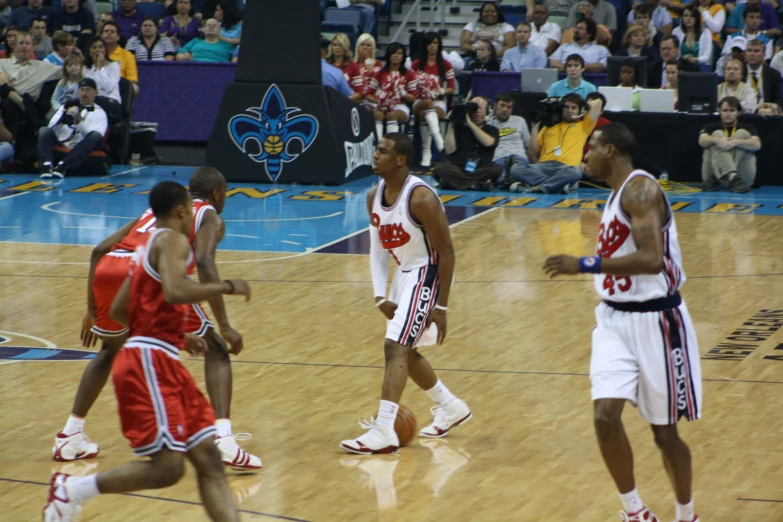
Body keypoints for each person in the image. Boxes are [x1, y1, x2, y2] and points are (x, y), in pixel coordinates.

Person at [43, 181, 250, 522]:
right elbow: (174, 290)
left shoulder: (144, 248)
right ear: (182, 210)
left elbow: (123, 310)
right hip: (149, 364)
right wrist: (226, 286)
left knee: (209, 459)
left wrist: (179, 336)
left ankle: (72, 483)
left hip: (160, 358)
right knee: (167, 469)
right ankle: (72, 489)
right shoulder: (173, 240)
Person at [543, 122, 702, 522]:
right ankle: (635, 512)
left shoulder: (640, 189)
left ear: (611, 150)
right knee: (604, 418)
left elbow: (651, 260)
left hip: (658, 321)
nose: (585, 157)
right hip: (613, 319)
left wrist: (583, 264)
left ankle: (686, 515)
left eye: (590, 149)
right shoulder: (617, 194)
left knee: (664, 434)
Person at [340, 133, 471, 455]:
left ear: (400, 160)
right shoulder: (374, 195)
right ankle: (451, 407)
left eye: (383, 151)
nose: (375, 156)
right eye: (376, 150)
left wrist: (441, 305)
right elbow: (377, 249)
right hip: (403, 276)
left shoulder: (421, 198)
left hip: (427, 273)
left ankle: (384, 429)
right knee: (407, 353)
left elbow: (447, 253)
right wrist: (379, 295)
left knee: (394, 347)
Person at [511, 93, 602, 193]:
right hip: (543, 167)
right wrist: (535, 127)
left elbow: (598, 103)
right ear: (561, 109)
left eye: (574, 108)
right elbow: (532, 152)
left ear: (580, 110)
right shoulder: (548, 127)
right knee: (516, 168)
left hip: (566, 168)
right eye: (566, 107)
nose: (569, 110)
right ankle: (557, 185)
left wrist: (585, 105)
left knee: (576, 172)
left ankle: (539, 187)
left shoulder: (584, 125)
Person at [38, 77, 107, 180]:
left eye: (88, 90)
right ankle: (46, 166)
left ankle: (64, 165)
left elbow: (95, 138)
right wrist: (63, 117)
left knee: (95, 136)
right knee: (43, 130)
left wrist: (79, 123)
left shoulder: (99, 113)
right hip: (62, 142)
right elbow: (51, 127)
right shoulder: (66, 107)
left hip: (81, 147)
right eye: (82, 90)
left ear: (95, 92)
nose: (84, 94)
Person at [431, 96, 501, 191]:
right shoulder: (459, 128)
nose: (477, 111)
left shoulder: (492, 129)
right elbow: (450, 150)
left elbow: (488, 143)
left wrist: (469, 123)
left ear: (487, 111)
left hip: (480, 168)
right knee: (440, 168)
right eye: (474, 108)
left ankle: (453, 183)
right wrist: (451, 123)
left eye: (480, 108)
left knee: (495, 169)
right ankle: (475, 185)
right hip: (457, 167)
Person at [699, 96, 760, 193]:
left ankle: (732, 176)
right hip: (714, 180)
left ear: (738, 113)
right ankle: (732, 175)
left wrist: (736, 142)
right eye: (724, 110)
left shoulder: (748, 127)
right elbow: (701, 141)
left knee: (742, 134)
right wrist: (717, 140)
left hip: (742, 181)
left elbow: (757, 145)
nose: (728, 114)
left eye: (732, 110)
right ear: (720, 112)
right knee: (716, 135)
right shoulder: (711, 126)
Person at [411, 32, 454, 167]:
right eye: (430, 43)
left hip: (438, 102)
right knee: (426, 104)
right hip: (419, 100)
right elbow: (410, 87)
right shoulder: (416, 64)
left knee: (423, 114)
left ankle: (426, 152)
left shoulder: (445, 65)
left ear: (439, 45)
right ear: (425, 46)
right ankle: (439, 142)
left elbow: (452, 88)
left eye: (435, 43)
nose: (432, 46)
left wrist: (440, 91)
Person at [367, 43, 417, 139]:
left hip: (400, 106)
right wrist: (379, 100)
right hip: (382, 106)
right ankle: (378, 145)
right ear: (389, 55)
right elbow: (368, 94)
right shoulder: (380, 73)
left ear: (403, 56)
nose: (397, 55)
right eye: (394, 53)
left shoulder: (408, 74)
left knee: (392, 115)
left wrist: (404, 94)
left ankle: (391, 147)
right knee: (377, 114)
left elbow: (413, 98)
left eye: (400, 53)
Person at [486, 93, 531, 187]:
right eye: (502, 105)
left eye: (509, 107)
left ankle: (507, 181)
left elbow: (528, 145)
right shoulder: (487, 122)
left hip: (518, 157)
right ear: (495, 106)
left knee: (519, 168)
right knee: (495, 169)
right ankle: (512, 182)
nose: (505, 110)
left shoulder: (519, 121)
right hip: (498, 159)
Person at [102, 21, 139, 94]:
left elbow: (132, 80)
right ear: (101, 35)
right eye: (106, 31)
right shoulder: (95, 52)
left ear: (118, 37)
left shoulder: (127, 55)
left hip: (119, 88)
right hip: (99, 87)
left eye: (112, 32)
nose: (108, 33)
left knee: (134, 88)